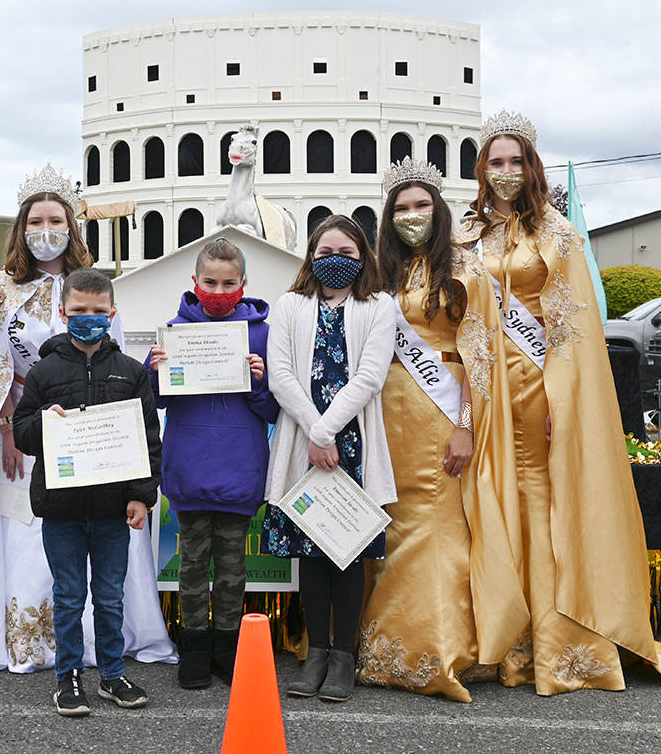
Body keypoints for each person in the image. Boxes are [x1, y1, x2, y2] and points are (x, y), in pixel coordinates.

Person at [457, 110, 661, 694]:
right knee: (491, 498)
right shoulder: (466, 234)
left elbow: (574, 328)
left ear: (531, 168)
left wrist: (564, 399)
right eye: (495, 162)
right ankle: (500, 630)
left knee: (536, 497)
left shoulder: (554, 233)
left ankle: (551, 637)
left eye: (515, 161)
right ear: (481, 169)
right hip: (483, 388)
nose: (505, 172)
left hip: (537, 384)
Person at [0, 165, 175, 676]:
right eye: (36, 220)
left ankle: (102, 641)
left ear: (71, 226)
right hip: (26, 426)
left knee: (97, 534)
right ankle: (34, 640)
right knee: (33, 534)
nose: (45, 229)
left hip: (94, 436)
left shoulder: (94, 288)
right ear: (22, 228)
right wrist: (10, 434)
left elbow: (115, 364)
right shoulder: (1, 294)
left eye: (56, 219)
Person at [355, 159, 504, 702]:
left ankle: (437, 645)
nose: (411, 216)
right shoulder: (379, 270)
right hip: (384, 405)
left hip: (442, 402)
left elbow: (482, 355)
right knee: (388, 520)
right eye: (400, 208)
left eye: (421, 206)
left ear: (439, 211)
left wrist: (466, 427)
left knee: (437, 522)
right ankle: (375, 643)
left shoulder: (464, 268)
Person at [13, 268, 161, 717]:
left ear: (112, 314)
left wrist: (141, 495)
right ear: (63, 313)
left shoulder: (131, 373)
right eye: (79, 311)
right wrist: (45, 422)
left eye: (98, 312)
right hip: (61, 509)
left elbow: (148, 438)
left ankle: (112, 674)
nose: (89, 319)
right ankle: (69, 677)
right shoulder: (43, 372)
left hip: (114, 509)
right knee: (70, 594)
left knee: (111, 594)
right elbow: (21, 432)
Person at [263, 215, 396, 703]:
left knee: (349, 553)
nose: (334, 260)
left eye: (345, 251)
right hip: (303, 448)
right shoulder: (290, 305)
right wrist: (314, 434)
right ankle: (314, 652)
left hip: (352, 445)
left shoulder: (379, 305)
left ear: (362, 256)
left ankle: (343, 657)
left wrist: (326, 431)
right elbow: (280, 376)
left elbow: (369, 376)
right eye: (324, 252)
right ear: (310, 257)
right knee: (310, 556)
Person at [145, 238, 278, 690]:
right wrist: (154, 370)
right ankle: (194, 651)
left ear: (243, 284)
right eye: (209, 282)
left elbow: (273, 412)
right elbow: (159, 400)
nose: (218, 290)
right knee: (193, 564)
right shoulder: (173, 331)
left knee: (233, 566)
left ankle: (227, 649)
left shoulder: (261, 332)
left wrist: (258, 383)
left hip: (239, 467)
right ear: (194, 283)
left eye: (227, 283)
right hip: (189, 467)